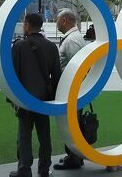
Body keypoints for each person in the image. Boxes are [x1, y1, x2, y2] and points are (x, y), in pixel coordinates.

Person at [10, 13, 61, 177]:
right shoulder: (51, 47)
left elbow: (13, 75)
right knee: (44, 135)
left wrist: (13, 99)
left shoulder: (19, 46)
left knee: (24, 135)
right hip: (44, 98)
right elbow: (57, 75)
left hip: (25, 98)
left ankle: (24, 169)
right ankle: (44, 169)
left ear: (27, 25)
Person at [54, 9, 87, 170]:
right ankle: (74, 156)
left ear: (65, 20)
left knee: (72, 123)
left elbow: (79, 68)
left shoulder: (72, 40)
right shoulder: (72, 38)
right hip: (70, 89)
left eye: (57, 20)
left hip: (72, 90)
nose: (56, 22)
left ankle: (74, 158)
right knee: (72, 123)